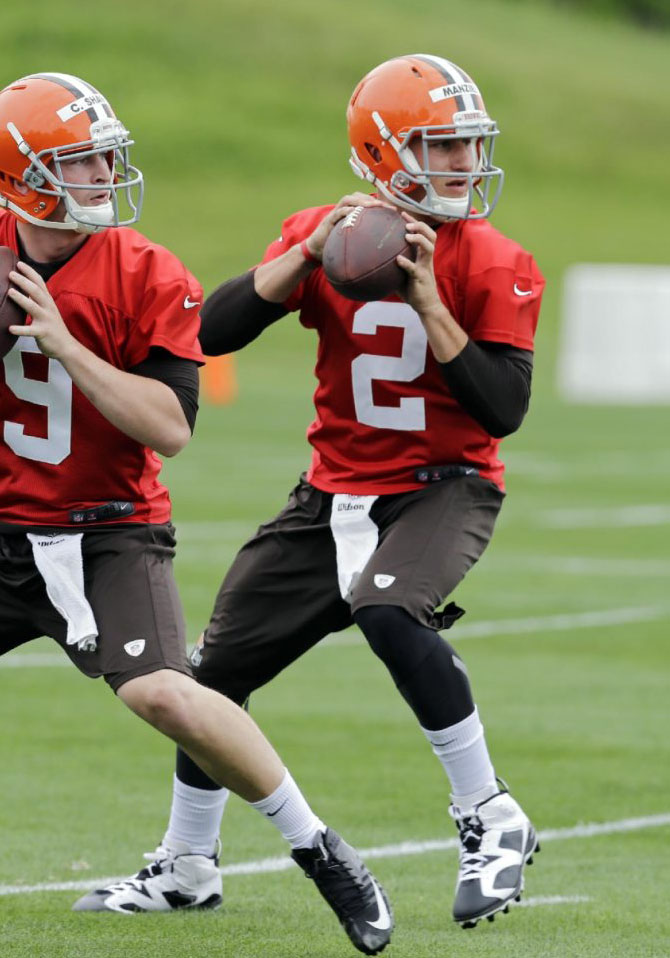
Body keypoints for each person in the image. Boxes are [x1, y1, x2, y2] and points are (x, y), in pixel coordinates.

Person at [81, 53, 544, 930]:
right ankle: (187, 863)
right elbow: (207, 334)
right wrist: (303, 257)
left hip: (446, 485)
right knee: (212, 677)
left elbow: (505, 408)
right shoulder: (324, 233)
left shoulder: (492, 259)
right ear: (382, 152)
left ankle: (491, 815)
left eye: (470, 145)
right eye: (444, 146)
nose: (465, 164)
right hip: (332, 492)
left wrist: (428, 298)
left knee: (387, 609)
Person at [0, 72, 393, 957]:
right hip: (3, 527)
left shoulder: (146, 272)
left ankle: (322, 851)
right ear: (21, 177)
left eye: (106, 158)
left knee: (165, 694)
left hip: (107, 526)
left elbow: (170, 428)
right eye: (80, 162)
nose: (103, 175)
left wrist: (63, 343)